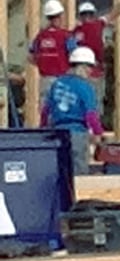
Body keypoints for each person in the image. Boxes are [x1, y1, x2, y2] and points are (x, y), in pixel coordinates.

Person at [40, 46, 104, 175]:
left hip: (57, 133)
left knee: (60, 171)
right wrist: (98, 134)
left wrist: (43, 130)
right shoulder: (85, 87)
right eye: (90, 68)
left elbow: (46, 111)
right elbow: (91, 115)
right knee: (78, 171)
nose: (90, 72)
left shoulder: (57, 83)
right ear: (84, 67)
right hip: (77, 134)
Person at [29, 0, 74, 86]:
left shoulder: (40, 37)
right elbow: (74, 55)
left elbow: (30, 57)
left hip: (45, 79)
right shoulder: (66, 36)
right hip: (63, 79)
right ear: (60, 16)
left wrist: (43, 63)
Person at [71, 1, 109, 84]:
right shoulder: (97, 25)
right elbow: (112, 14)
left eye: (89, 14)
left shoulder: (76, 31)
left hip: (80, 71)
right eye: (86, 14)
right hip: (95, 70)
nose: (87, 17)